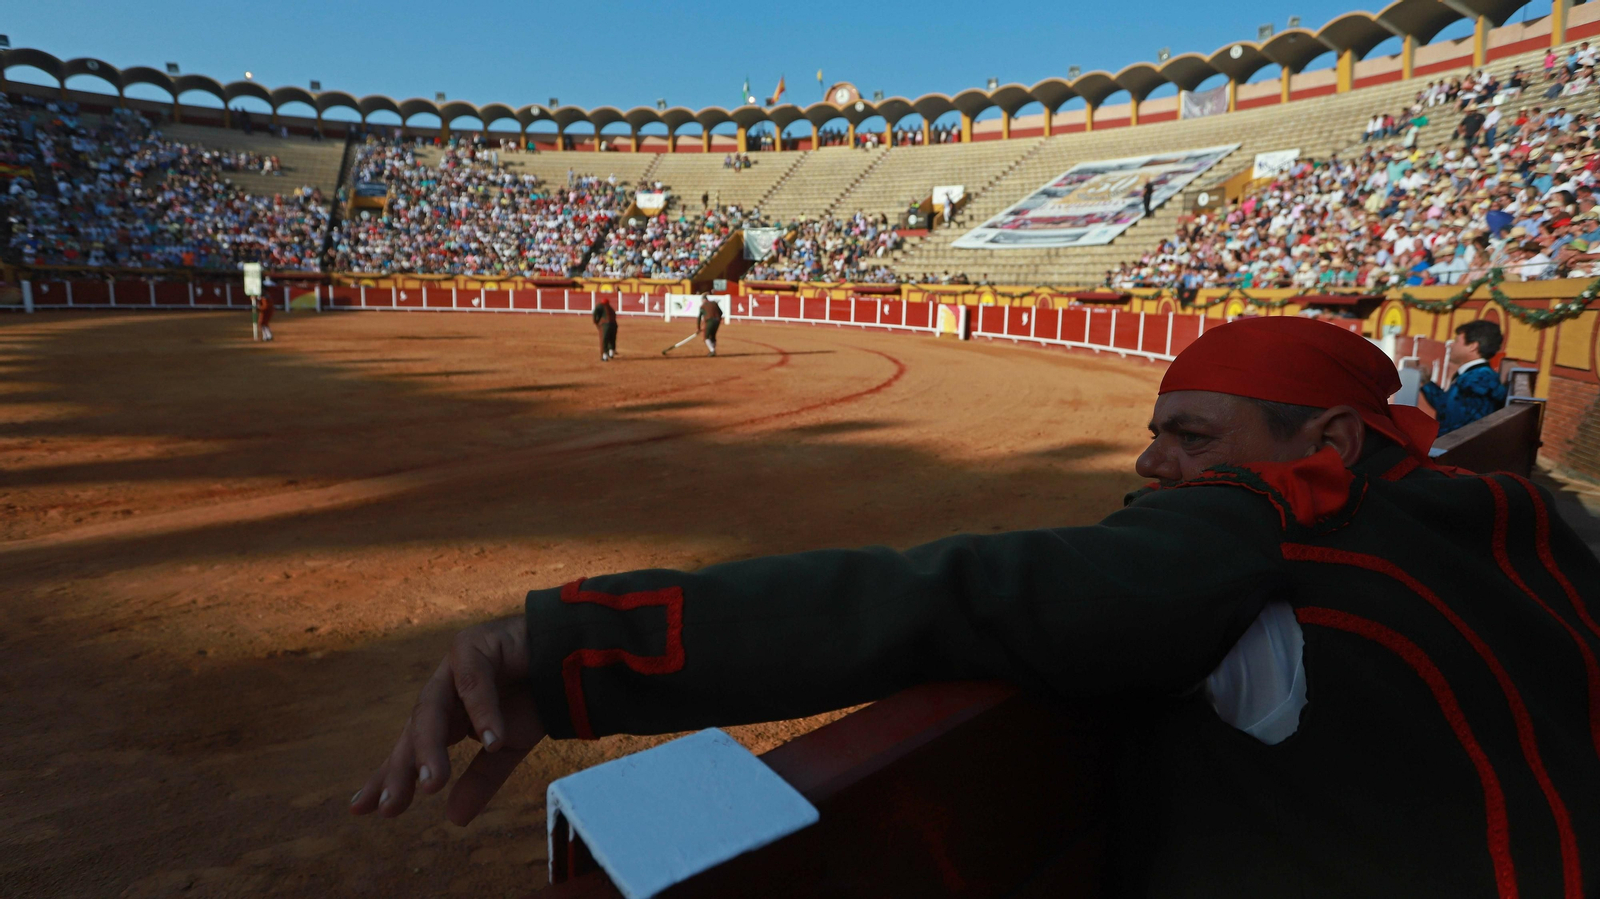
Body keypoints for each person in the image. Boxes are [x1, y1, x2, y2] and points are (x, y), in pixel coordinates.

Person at [353, 317, 1600, 897]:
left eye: (1191, 434)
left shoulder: (1248, 524)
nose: (1154, 465)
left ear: (1321, 438)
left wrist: (564, 644)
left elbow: (937, 597)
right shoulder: (1522, 515)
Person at [1421, 319, 1508, 434]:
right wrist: (1427, 383)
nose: (1451, 345)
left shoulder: (1477, 379)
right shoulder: (1477, 375)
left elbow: (1457, 427)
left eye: (1456, 341)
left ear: (1472, 346)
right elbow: (1447, 406)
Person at [592, 295, 618, 361]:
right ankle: (611, 353)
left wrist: (596, 322)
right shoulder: (610, 308)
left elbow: (595, 313)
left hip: (606, 325)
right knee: (612, 338)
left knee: (604, 339)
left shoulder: (600, 306)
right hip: (614, 325)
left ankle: (604, 356)